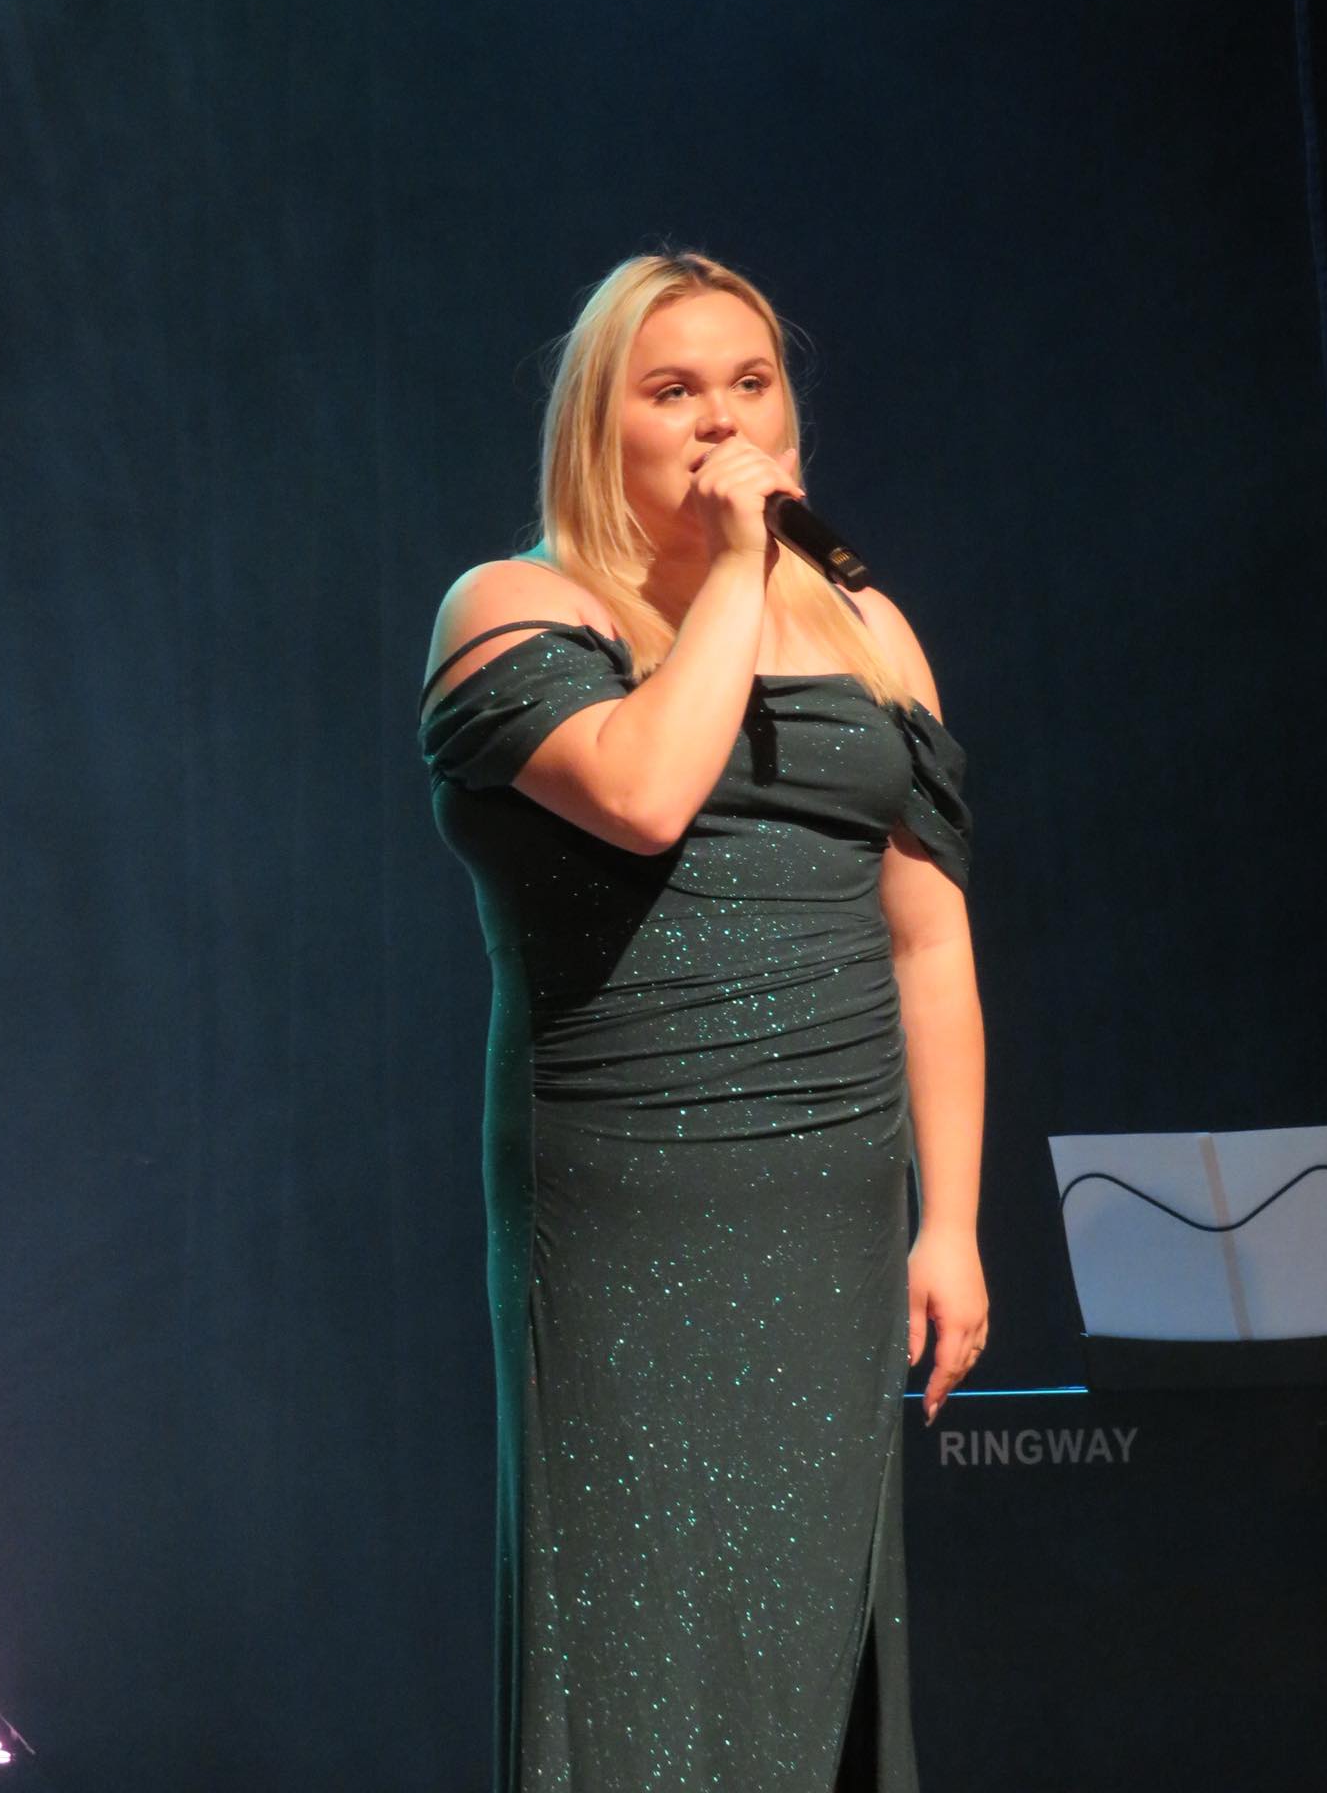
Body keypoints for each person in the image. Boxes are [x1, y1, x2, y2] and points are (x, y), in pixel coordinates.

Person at [418, 250, 987, 1793]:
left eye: (752, 384)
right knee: (646, 1635)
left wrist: (949, 1223)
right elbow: (648, 792)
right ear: (598, 426)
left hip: (834, 1200)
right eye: (674, 392)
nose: (724, 423)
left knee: (814, 1627)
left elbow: (930, 939)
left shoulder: (870, 631)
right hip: (632, 1200)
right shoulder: (511, 608)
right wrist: (740, 571)